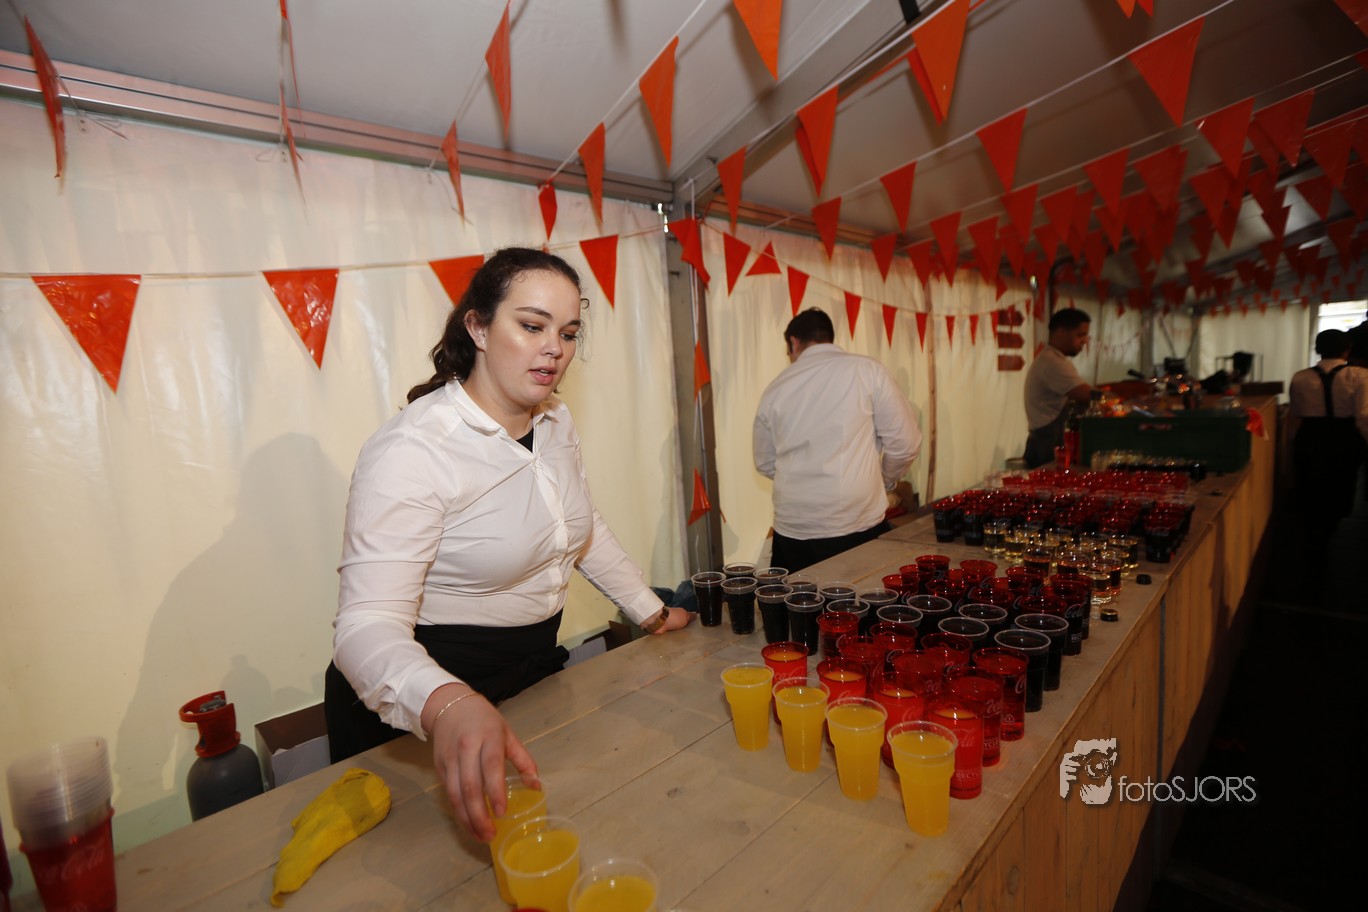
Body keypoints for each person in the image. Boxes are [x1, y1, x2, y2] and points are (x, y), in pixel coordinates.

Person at [325, 247, 692, 842]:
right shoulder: (412, 450)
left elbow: (579, 527)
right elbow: (365, 627)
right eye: (531, 326)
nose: (555, 349)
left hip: (530, 675)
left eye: (568, 333)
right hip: (426, 699)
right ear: (478, 327)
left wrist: (649, 611)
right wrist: (447, 703)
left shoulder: (555, 421)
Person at [752, 308, 921, 573]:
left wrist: (801, 480)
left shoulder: (775, 388)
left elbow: (764, 462)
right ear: (828, 337)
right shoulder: (868, 371)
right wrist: (883, 481)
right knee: (861, 595)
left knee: (799, 598)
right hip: (855, 519)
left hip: (794, 527)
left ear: (794, 343)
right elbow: (905, 444)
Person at [1287, 329, 1368, 571]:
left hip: (1310, 436)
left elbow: (1296, 412)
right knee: (1340, 486)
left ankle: (1314, 537)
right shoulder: (1360, 375)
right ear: (1347, 349)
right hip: (1345, 437)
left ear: (1317, 349)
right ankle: (1326, 534)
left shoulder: (1300, 377)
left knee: (1310, 486)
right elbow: (1364, 416)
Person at [1023, 308, 1093, 468]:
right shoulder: (1052, 362)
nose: (1084, 341)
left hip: (1046, 441)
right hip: (1047, 446)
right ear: (1061, 332)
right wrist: (1119, 399)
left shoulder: (1055, 359)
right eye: (1080, 335)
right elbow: (1087, 394)